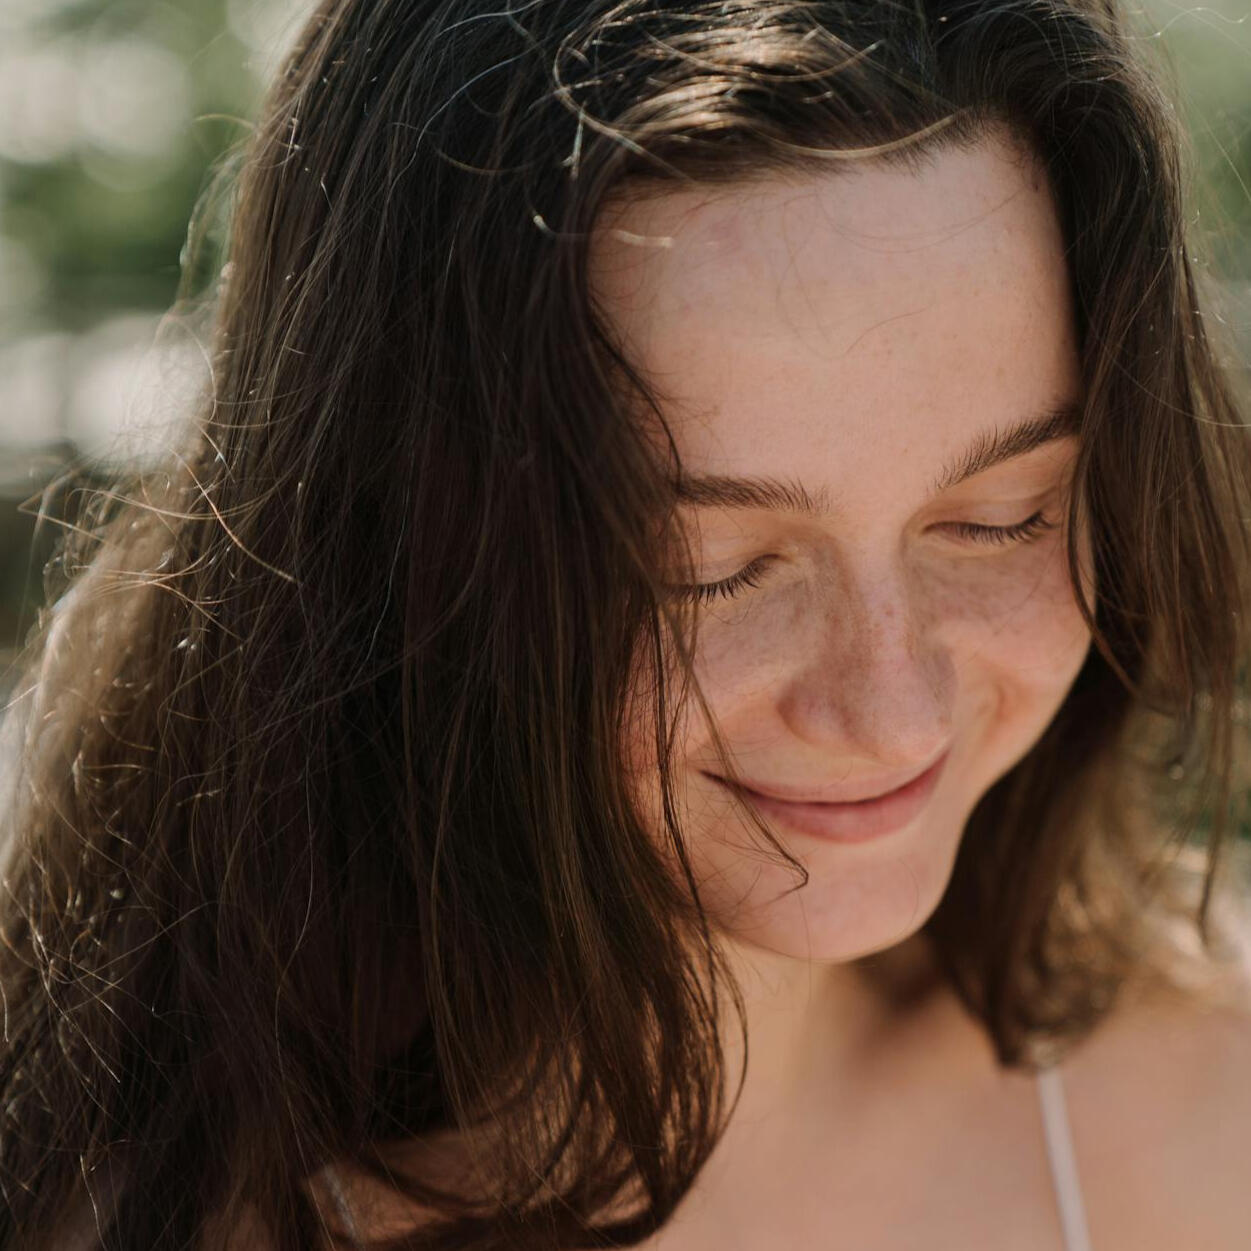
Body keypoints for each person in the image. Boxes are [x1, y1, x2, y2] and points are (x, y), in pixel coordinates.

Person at [2, 0, 1251, 1247]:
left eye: (1002, 519)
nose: (893, 707)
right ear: (390, 536)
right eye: (707, 568)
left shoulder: (1206, 1103)